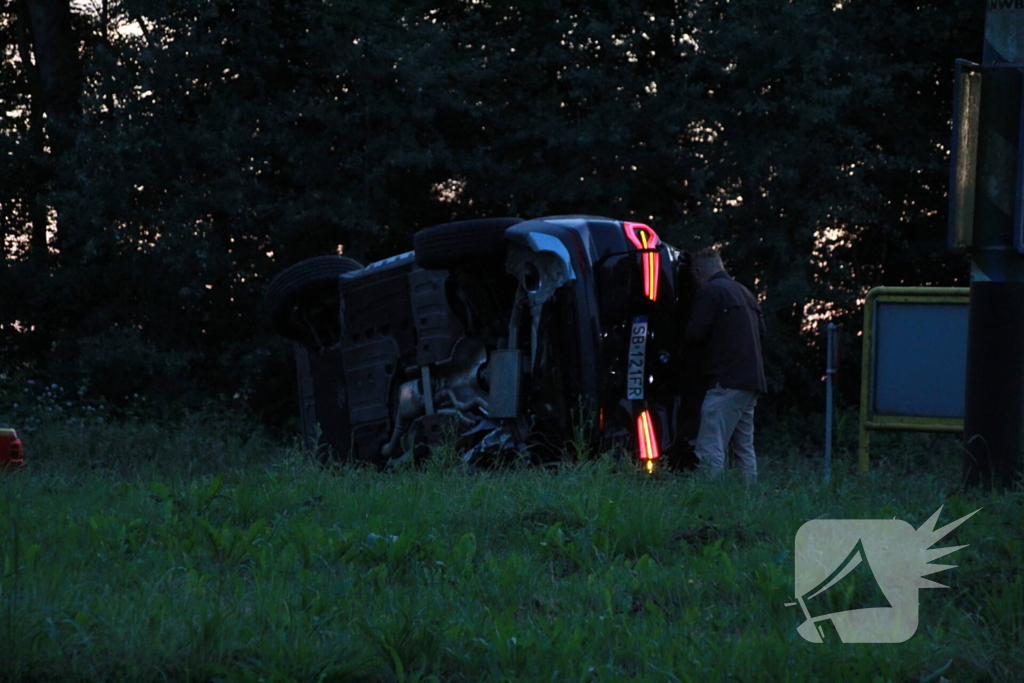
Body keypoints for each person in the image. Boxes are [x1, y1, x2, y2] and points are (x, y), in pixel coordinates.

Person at [684, 247, 766, 482]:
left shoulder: (711, 291)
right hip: (751, 382)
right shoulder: (745, 292)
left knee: (710, 446)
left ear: (698, 272)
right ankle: (748, 497)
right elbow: (762, 333)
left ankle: (708, 498)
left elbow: (694, 334)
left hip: (726, 382)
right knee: (744, 448)